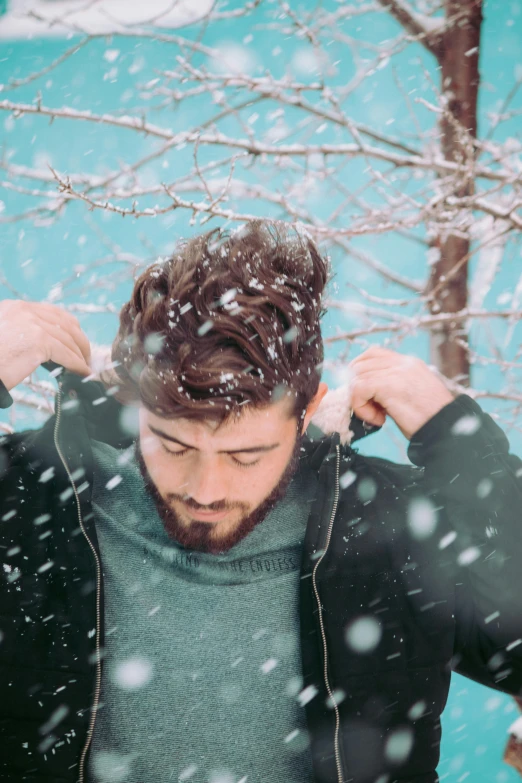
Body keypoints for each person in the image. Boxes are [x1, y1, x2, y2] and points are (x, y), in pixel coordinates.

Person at [0, 219, 521, 783]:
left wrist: (461, 445)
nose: (206, 488)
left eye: (246, 456)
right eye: (174, 445)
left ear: (307, 412)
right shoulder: (30, 502)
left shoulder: (389, 527)